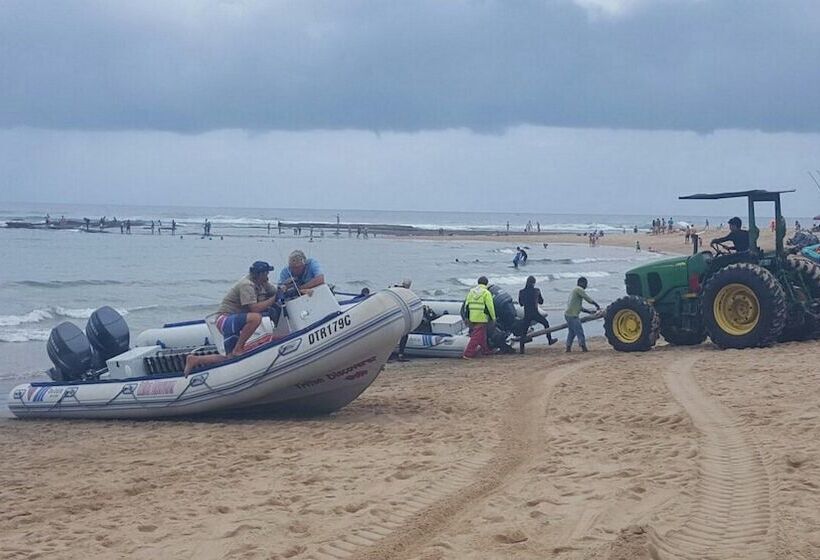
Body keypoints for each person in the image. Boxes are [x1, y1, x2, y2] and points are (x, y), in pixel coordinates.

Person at [184, 261, 280, 375]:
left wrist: (282, 290)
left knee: (230, 358)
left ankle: (195, 359)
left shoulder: (262, 283)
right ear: (259, 274)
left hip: (232, 321)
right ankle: (239, 348)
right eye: (266, 273)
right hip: (225, 319)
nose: (267, 276)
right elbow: (255, 308)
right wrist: (274, 299)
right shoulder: (247, 285)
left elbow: (275, 291)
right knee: (255, 318)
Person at [462, 276, 496, 359]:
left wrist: (467, 317)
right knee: (476, 336)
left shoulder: (471, 292)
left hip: (472, 316)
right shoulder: (486, 293)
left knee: (482, 334)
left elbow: (466, 305)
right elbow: (490, 306)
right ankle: (468, 353)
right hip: (481, 316)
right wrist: (493, 317)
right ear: (486, 284)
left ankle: (485, 350)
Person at [565, 277, 601, 352]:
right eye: (585, 284)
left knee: (572, 332)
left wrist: (589, 312)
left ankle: (568, 347)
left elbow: (578, 306)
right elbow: (587, 298)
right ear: (581, 283)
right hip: (572, 315)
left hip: (568, 314)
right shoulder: (579, 289)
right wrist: (596, 304)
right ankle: (583, 346)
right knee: (579, 331)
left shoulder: (574, 291)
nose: (586, 286)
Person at [518, 276, 557, 346]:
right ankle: (549, 340)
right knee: (546, 324)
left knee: (523, 332)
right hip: (535, 313)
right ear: (534, 283)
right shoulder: (536, 291)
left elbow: (521, 304)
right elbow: (541, 302)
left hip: (527, 314)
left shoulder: (521, 292)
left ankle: (522, 349)